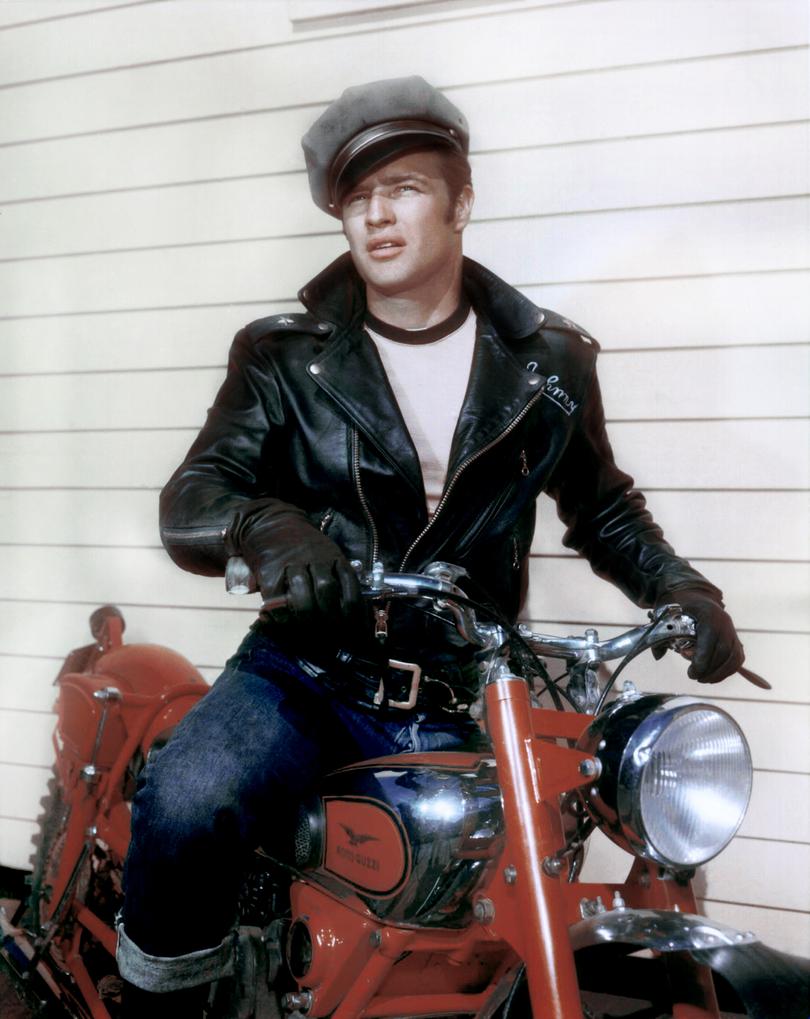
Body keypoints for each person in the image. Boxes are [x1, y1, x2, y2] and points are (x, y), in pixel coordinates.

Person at [116, 76, 744, 1015]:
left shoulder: (548, 362)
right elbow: (194, 497)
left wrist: (681, 588)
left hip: (469, 683)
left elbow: (602, 505)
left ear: (460, 201)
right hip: (308, 671)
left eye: (403, 187)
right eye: (355, 198)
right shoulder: (286, 355)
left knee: (515, 888)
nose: (377, 215)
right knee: (186, 800)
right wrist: (267, 523)